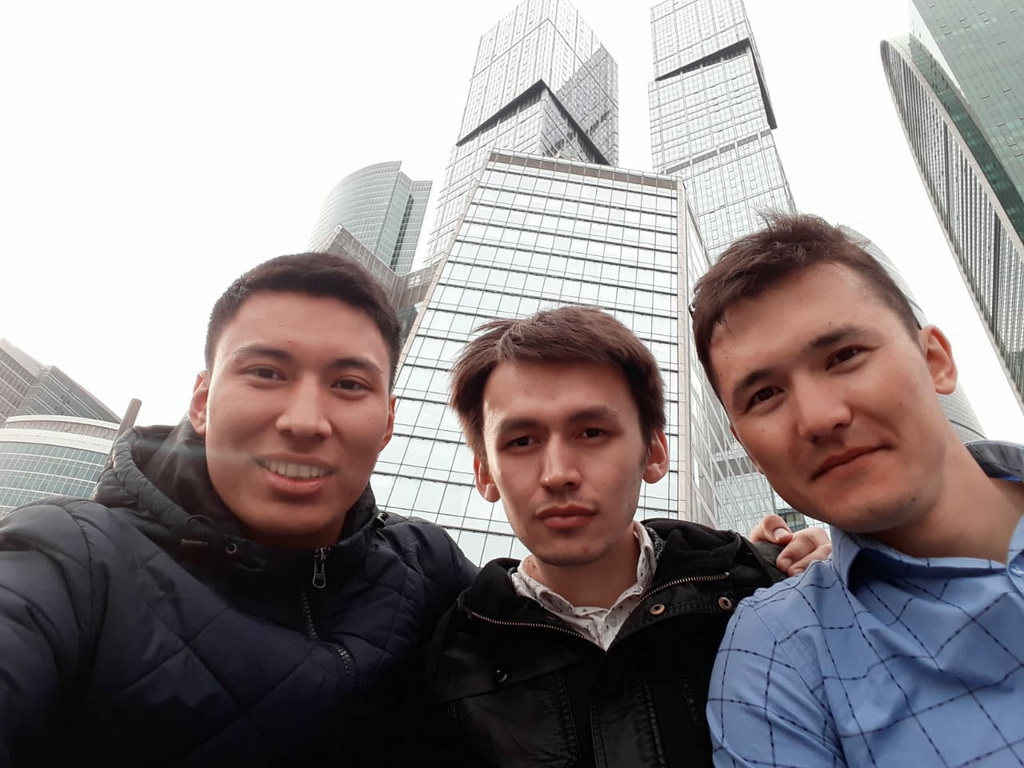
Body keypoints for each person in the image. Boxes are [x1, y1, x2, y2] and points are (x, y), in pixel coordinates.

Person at [0, 253, 478, 765]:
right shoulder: (68, 558)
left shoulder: (428, 566)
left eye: (348, 385)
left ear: (387, 423)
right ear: (201, 402)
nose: (305, 422)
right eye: (266, 373)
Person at [422, 305, 831, 767]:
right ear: (485, 473)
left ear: (654, 451)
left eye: (592, 432)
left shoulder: (760, 589)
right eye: (521, 441)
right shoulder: (447, 663)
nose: (558, 474)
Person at [693, 213, 1024, 767]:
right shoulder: (777, 652)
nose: (818, 418)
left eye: (844, 356)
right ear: (746, 447)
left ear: (936, 361)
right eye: (765, 394)